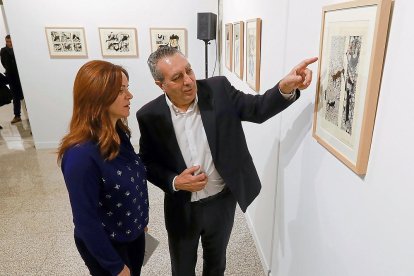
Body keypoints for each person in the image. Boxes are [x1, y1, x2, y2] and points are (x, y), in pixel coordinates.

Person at [136, 46, 317, 276]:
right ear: (161, 85)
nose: (189, 81)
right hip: (181, 208)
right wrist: (174, 181)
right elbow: (147, 163)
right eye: (177, 77)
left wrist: (284, 87)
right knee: (182, 268)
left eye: (189, 70)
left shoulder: (218, 89)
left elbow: (257, 109)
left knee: (216, 264)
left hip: (221, 203)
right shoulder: (149, 116)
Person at [58, 60, 149, 276]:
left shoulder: (119, 133)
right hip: (107, 245)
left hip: (132, 234)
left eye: (127, 88)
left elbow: (134, 179)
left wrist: (141, 220)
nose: (130, 96)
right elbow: (85, 219)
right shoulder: (80, 155)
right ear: (97, 98)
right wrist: (115, 266)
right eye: (120, 91)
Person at [0, 35, 24, 124]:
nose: (8, 43)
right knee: (15, 97)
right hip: (11, 76)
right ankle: (17, 115)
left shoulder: (18, 49)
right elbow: (3, 62)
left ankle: (31, 114)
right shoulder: (3, 50)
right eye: (7, 41)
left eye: (10, 41)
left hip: (20, 76)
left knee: (26, 96)